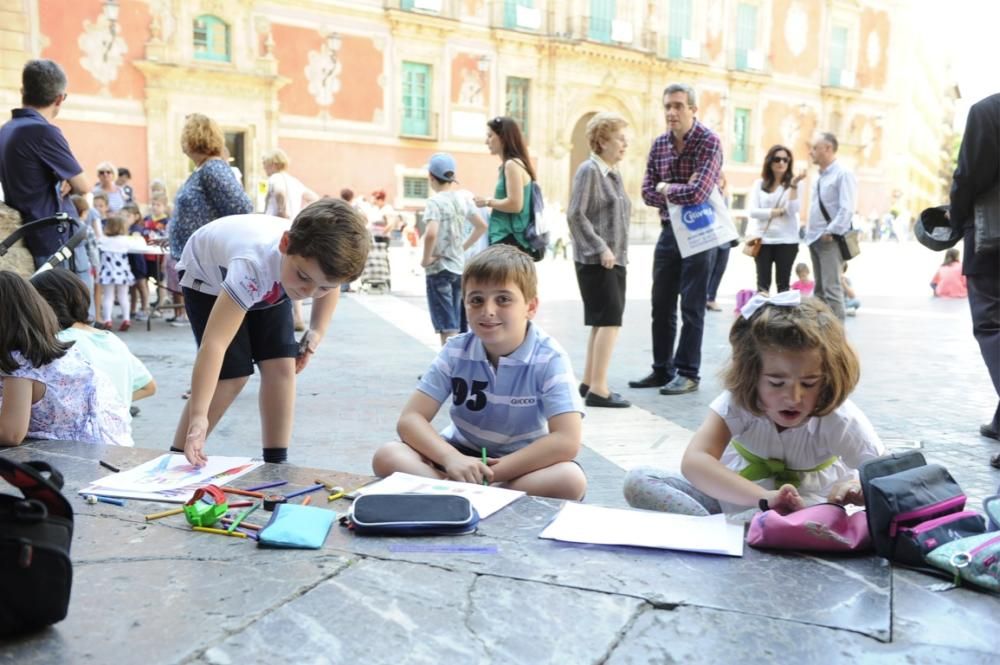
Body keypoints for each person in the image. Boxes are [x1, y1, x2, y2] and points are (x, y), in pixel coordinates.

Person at [623, 293, 884, 517]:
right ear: (751, 375)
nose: (793, 397)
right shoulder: (739, 402)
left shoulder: (839, 417)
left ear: (828, 378)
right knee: (640, 480)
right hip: (738, 501)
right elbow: (695, 461)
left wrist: (857, 487)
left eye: (809, 383)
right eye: (776, 382)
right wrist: (764, 498)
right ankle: (717, 533)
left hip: (811, 513)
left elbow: (889, 475)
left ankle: (750, 535)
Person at [371, 245, 586, 500]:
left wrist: (491, 474)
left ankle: (457, 492)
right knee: (387, 456)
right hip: (457, 455)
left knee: (570, 480)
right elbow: (411, 419)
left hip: (518, 465)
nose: (488, 310)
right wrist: (451, 459)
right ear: (465, 305)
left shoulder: (550, 358)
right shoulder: (455, 350)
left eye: (503, 299)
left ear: (530, 307)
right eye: (476, 300)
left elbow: (566, 439)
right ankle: (475, 494)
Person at [171, 199, 369, 467]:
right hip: (208, 276)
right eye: (304, 277)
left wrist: (315, 334)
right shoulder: (252, 266)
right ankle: (176, 455)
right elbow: (214, 344)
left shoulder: (311, 266)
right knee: (232, 375)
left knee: (281, 365)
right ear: (286, 244)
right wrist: (199, 417)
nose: (309, 293)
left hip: (272, 278)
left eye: (322, 287)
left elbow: (326, 283)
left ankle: (276, 465)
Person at [629, 83, 722, 395]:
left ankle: (688, 372)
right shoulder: (659, 145)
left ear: (693, 110)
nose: (671, 112)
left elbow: (700, 192)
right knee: (661, 303)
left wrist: (666, 188)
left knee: (692, 307)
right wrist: (675, 189)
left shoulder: (709, 142)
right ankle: (661, 369)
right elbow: (645, 192)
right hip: (669, 232)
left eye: (679, 106)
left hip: (700, 232)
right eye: (667, 106)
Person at [0, 271, 131, 447]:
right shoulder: (54, 349)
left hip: (82, 458)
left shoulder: (22, 363)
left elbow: (11, 433)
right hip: (105, 448)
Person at [567, 112, 632, 408]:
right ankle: (599, 389)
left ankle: (590, 382)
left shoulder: (612, 173)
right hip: (599, 260)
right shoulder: (589, 170)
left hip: (613, 259)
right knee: (609, 321)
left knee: (601, 321)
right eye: (620, 138)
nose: (625, 144)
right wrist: (600, 248)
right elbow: (575, 214)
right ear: (602, 140)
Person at [948, 93, 1000, 449]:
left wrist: (954, 219)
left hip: (992, 237)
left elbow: (968, 176)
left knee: (993, 325)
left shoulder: (988, 111)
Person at [0, 59, 88, 267]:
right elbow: (83, 186)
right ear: (59, 98)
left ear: (23, 91)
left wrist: (59, 177)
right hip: (55, 240)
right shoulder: (43, 131)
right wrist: (63, 178)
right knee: (73, 299)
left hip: (27, 234)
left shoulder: (6, 129)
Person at [30, 268, 155, 415]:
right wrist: (114, 405)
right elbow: (148, 387)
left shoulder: (58, 344)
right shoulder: (111, 339)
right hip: (118, 433)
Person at [168, 114, 252, 327]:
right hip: (200, 265)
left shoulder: (213, 168)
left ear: (192, 138)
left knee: (212, 332)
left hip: (210, 268)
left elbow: (241, 207)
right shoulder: (204, 169)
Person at [421, 153, 487, 345]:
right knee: (459, 320)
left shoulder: (434, 202)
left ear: (431, 177)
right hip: (459, 268)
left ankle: (447, 369)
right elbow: (481, 225)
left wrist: (426, 259)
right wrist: (461, 247)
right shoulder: (462, 200)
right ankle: (460, 365)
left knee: (446, 324)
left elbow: (431, 233)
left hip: (439, 268)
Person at [262, 148, 319, 332]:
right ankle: (298, 317)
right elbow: (314, 198)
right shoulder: (295, 181)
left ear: (273, 163)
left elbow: (278, 192)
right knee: (295, 274)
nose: (264, 168)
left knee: (276, 271)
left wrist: (281, 209)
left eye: (265, 164)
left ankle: (273, 314)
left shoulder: (275, 178)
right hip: (293, 227)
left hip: (273, 227)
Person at [804, 132, 855, 321]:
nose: (811, 152)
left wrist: (830, 231)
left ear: (828, 148)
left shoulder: (843, 174)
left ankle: (838, 344)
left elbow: (847, 208)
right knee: (819, 292)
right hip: (814, 238)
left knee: (832, 291)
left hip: (830, 240)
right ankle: (821, 338)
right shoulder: (820, 177)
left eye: (815, 148)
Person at [473, 116, 539, 260]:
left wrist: (487, 201)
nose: (486, 141)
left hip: (509, 240)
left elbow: (515, 204)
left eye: (490, 136)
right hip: (508, 241)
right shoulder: (511, 165)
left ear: (503, 137)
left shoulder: (512, 165)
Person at [747, 145, 806, 294]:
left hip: (787, 241)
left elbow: (792, 211)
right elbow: (753, 212)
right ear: (769, 161)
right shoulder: (759, 184)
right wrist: (776, 211)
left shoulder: (797, 184)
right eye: (777, 159)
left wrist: (793, 185)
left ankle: (782, 317)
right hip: (763, 240)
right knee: (762, 285)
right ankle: (763, 316)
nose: (781, 163)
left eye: (785, 160)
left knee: (783, 286)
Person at [97, 213, 134, 331]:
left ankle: (107, 320)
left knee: (108, 296)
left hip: (108, 272)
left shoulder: (103, 240)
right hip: (122, 272)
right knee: (123, 296)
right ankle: (126, 319)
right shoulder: (125, 240)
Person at [705, 172, 734, 311]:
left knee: (720, 269)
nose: (720, 181)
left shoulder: (726, 196)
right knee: (708, 269)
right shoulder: (707, 195)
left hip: (725, 238)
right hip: (711, 237)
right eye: (717, 178)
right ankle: (704, 297)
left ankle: (711, 298)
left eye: (722, 178)